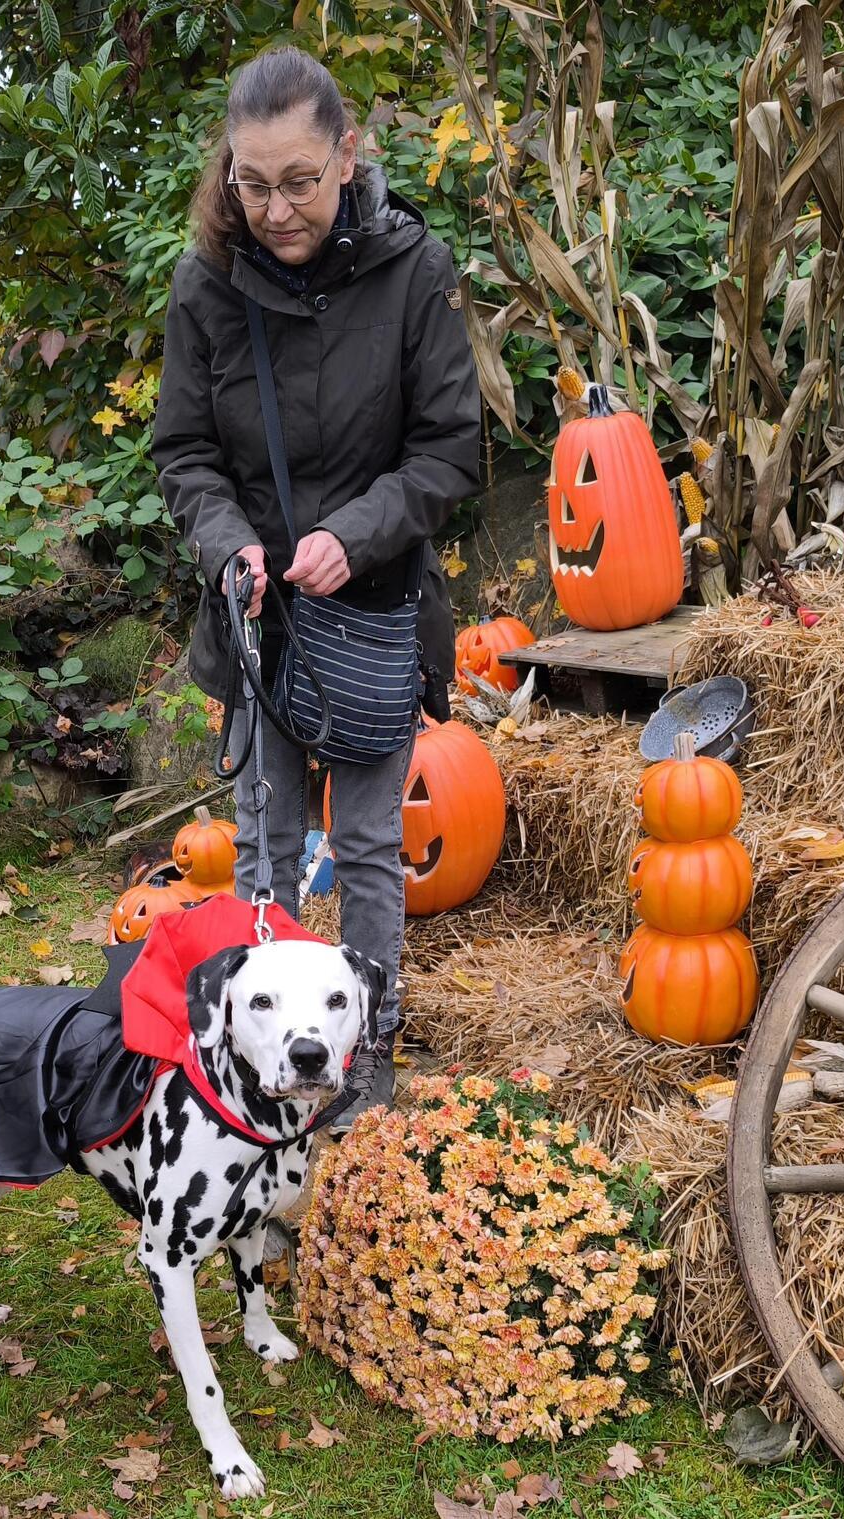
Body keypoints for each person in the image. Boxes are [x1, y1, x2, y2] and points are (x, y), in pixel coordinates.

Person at [152, 46, 481, 1128]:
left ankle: (361, 1057)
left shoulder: (410, 270)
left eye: (299, 181)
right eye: (253, 183)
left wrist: (357, 531)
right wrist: (227, 543)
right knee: (265, 853)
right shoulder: (205, 284)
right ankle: (256, 1072)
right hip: (259, 621)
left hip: (375, 615)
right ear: (228, 171)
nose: (277, 208)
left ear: (348, 155)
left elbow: (448, 452)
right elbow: (186, 454)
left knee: (374, 849)